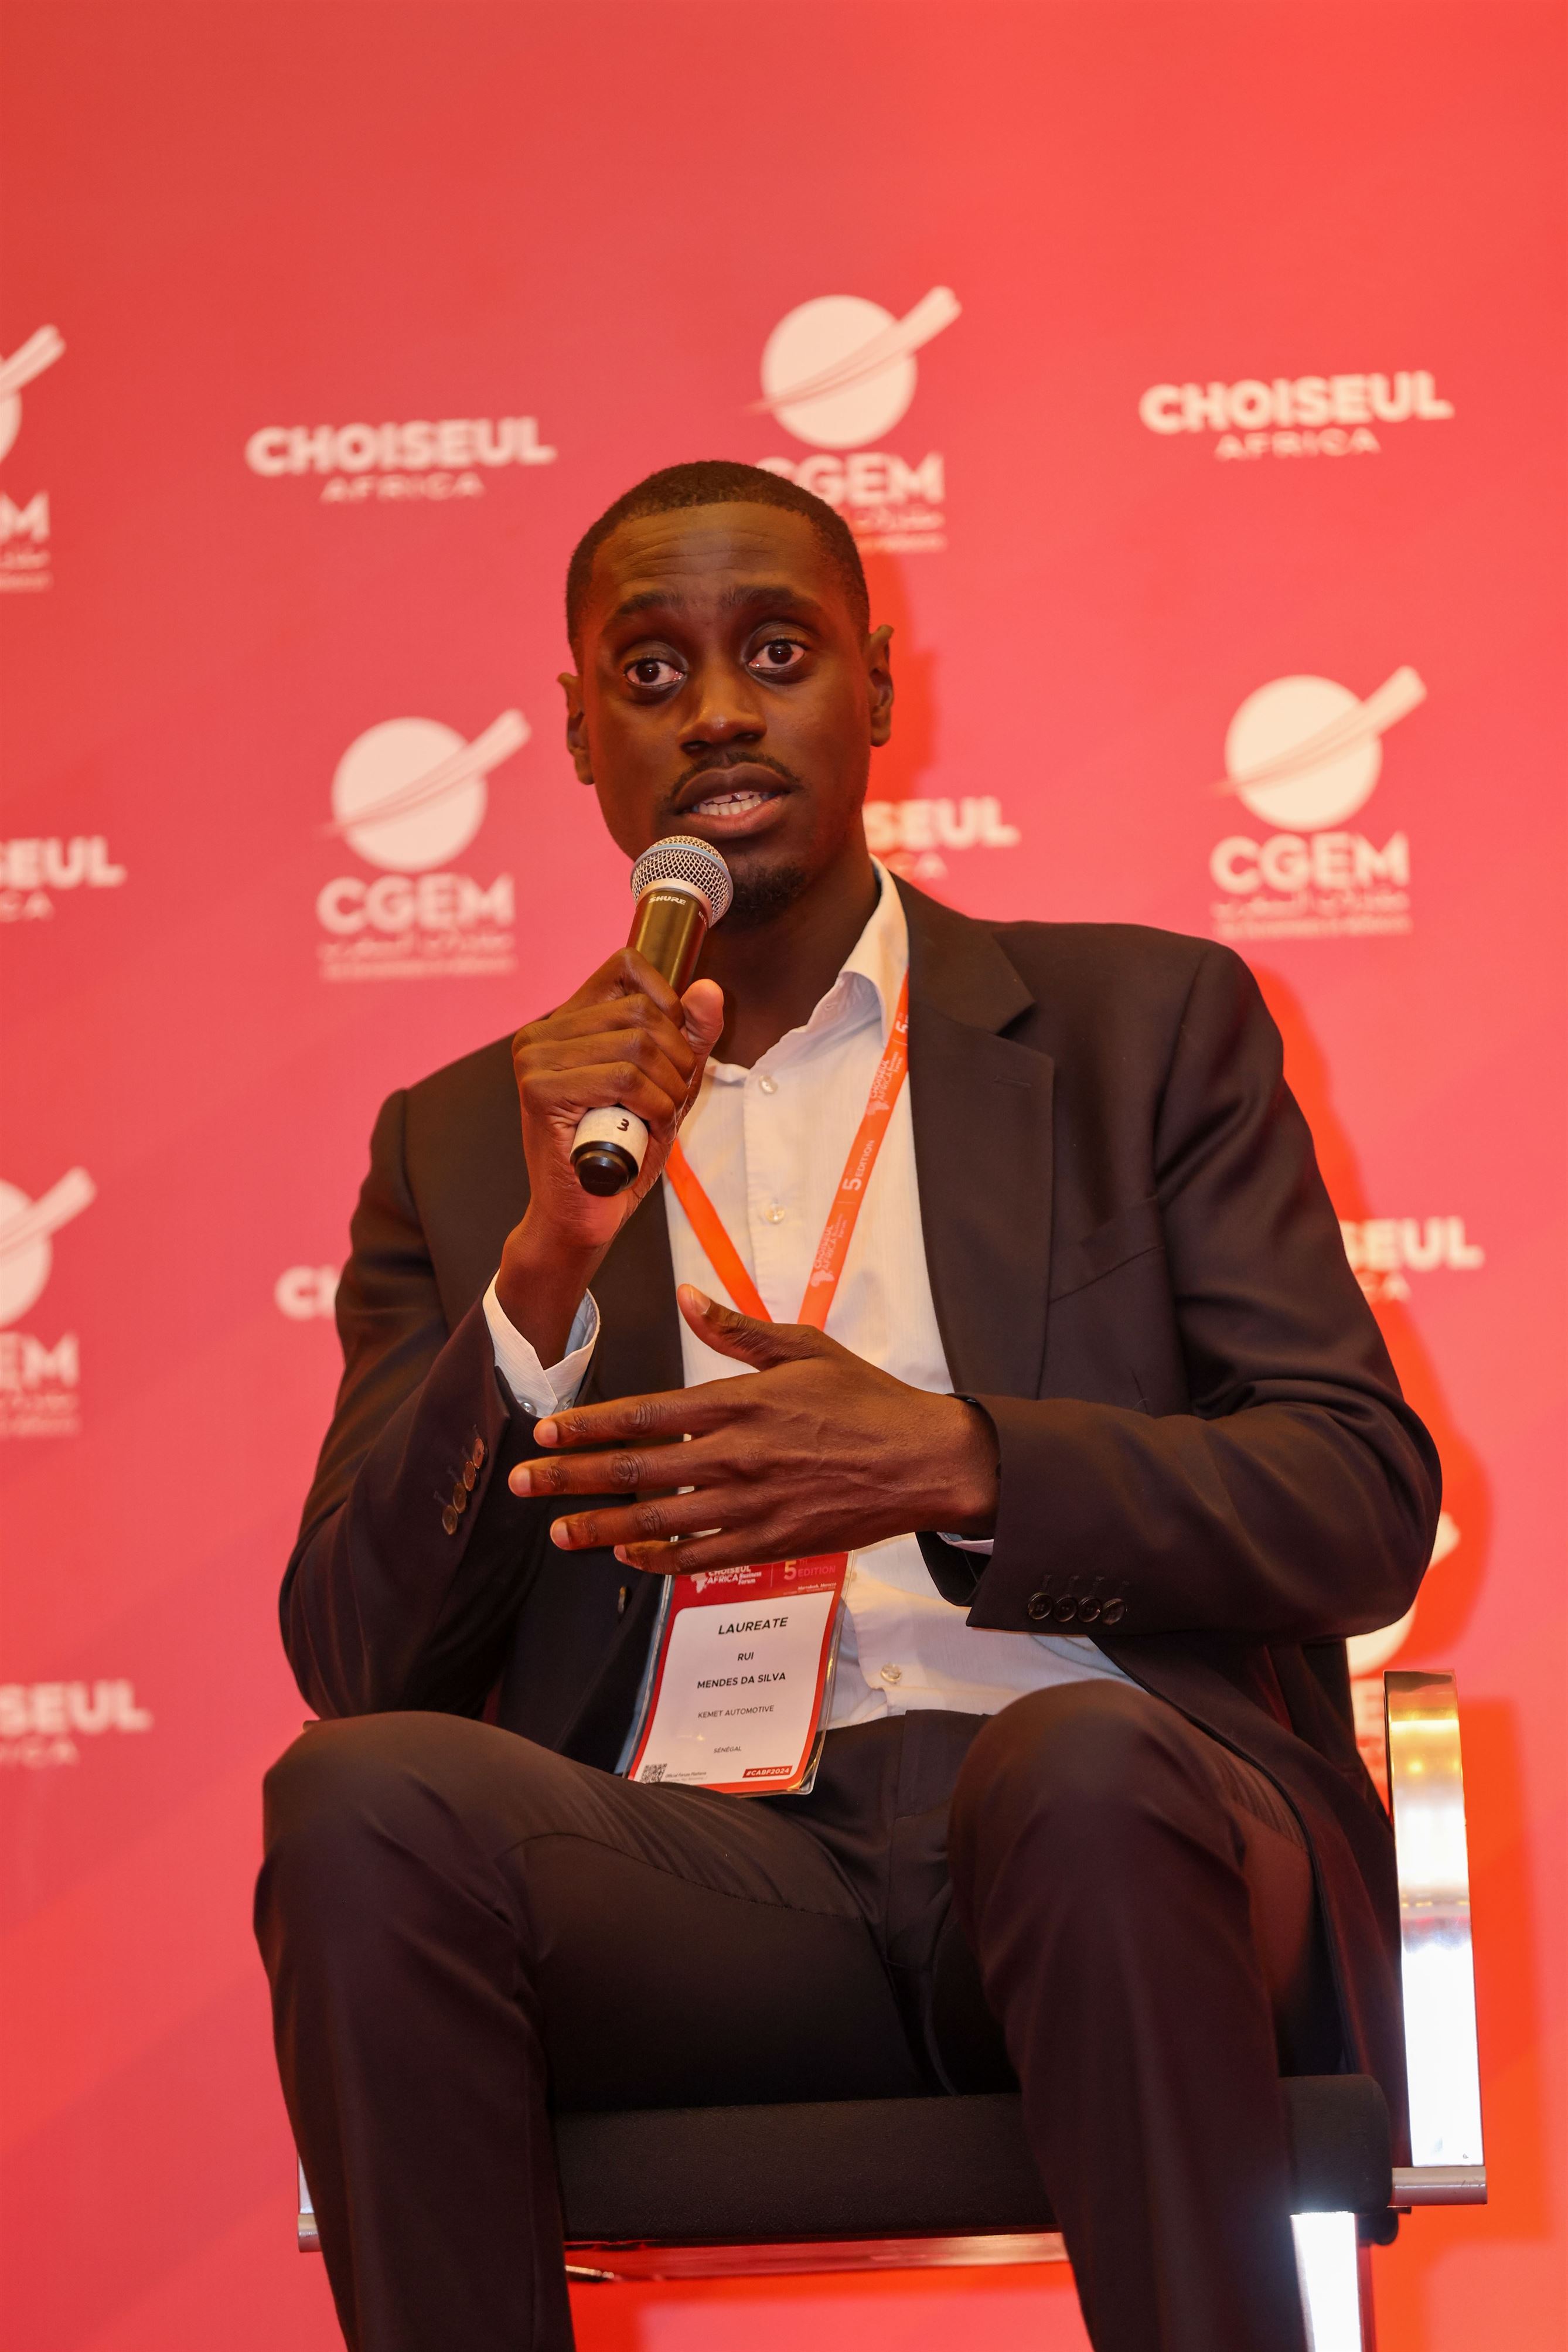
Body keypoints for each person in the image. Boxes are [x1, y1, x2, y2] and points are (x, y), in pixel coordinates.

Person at [256, 459, 1439, 2352]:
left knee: (1076, 1771)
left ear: (877, 687)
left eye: (778, 652)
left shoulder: (1143, 1034)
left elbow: (1357, 1498)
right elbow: (358, 1656)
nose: (716, 711)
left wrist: (963, 1464)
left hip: (1109, 1827)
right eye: (650, 672)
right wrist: (541, 1267)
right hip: (710, 1887)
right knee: (358, 1802)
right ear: (576, 736)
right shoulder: (470, 1141)